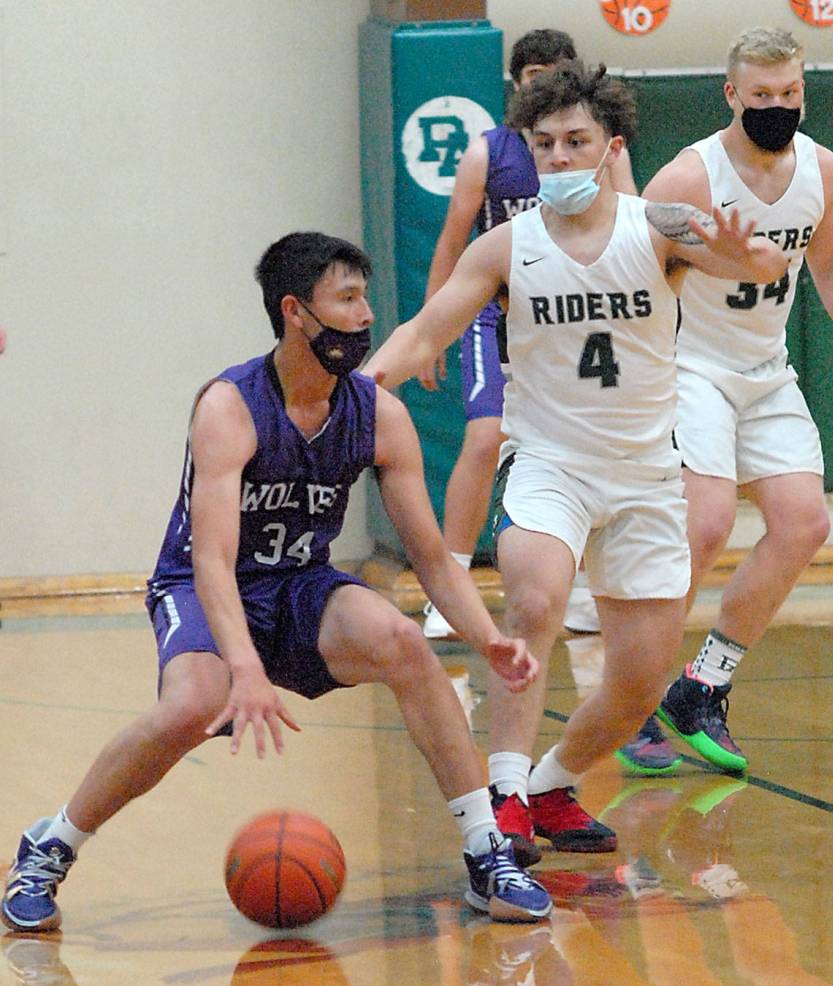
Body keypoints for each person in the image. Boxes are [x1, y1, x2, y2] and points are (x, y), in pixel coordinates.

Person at [1, 231, 553, 933]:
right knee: (189, 708)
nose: (364, 317)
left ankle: (486, 853)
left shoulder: (379, 414)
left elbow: (435, 559)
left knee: (403, 644)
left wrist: (488, 637)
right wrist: (243, 669)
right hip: (205, 585)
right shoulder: (230, 406)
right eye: (346, 299)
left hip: (299, 584)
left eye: (364, 298)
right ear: (295, 311)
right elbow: (209, 561)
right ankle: (50, 846)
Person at [365, 61, 788, 866]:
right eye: (544, 143)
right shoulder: (504, 245)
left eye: (575, 142)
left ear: (609, 147)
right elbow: (425, 333)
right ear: (528, 149)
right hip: (549, 463)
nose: (559, 157)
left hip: (644, 474)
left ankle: (554, 784)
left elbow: (756, 264)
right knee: (534, 601)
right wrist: (357, 389)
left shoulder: (659, 224)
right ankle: (504, 797)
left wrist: (750, 252)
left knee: (636, 682)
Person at [617, 26, 833, 776]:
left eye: (788, 94)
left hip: (764, 369)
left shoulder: (822, 169)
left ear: (802, 90)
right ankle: (634, 697)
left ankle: (702, 685)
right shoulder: (688, 176)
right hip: (689, 365)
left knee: (804, 523)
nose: (776, 106)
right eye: (761, 96)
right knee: (706, 522)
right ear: (730, 94)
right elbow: (630, 264)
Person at [418, 28, 637, 641]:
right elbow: (452, 241)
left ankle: (589, 591)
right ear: (516, 84)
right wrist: (435, 328)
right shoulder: (487, 152)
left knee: (592, 441)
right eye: (530, 73)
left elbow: (634, 228)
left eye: (553, 71)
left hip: (574, 311)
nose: (541, 83)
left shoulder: (603, 153)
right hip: (498, 315)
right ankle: (450, 589)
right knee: (486, 438)